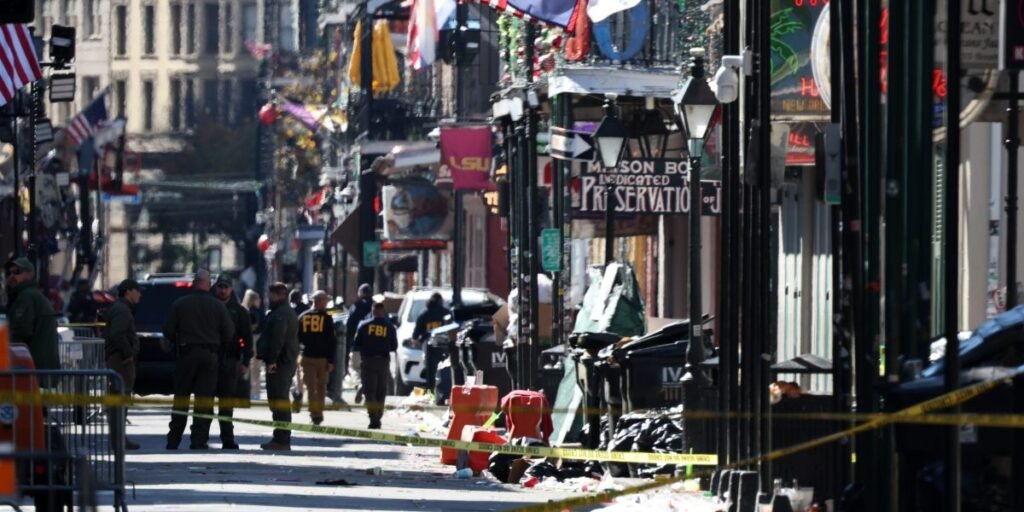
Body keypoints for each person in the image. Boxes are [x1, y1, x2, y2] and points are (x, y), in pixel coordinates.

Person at [164, 270, 234, 450]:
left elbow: (168, 330)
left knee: (181, 398)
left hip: (186, 354)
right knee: (204, 400)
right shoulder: (218, 306)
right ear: (208, 284)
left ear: (194, 283)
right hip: (210, 356)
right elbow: (229, 333)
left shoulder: (180, 304)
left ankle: (173, 440)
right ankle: (198, 440)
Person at [257, 282, 299, 450]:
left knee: (278, 400)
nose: (270, 297)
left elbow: (277, 338)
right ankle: (280, 438)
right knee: (278, 400)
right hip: (284, 361)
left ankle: (281, 439)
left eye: (272, 294)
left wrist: (272, 360)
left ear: (279, 295)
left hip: (281, 363)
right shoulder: (283, 311)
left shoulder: (281, 313)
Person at [213, 276, 253, 449]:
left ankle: (227, 439)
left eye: (226, 287)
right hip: (210, 360)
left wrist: (245, 361)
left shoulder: (239, 311)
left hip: (230, 360)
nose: (223, 290)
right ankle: (199, 438)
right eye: (220, 287)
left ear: (231, 289)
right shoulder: (209, 307)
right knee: (204, 402)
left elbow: (246, 338)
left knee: (226, 403)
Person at [104, 279, 143, 450]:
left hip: (120, 359)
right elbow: (117, 334)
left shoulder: (122, 308)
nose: (140, 295)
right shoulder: (122, 310)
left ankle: (120, 439)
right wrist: (127, 354)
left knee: (121, 401)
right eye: (137, 291)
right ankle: (118, 440)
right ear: (128, 291)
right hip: (120, 361)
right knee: (119, 400)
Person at [5, 258, 60, 371]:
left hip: (33, 367)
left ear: (29, 274)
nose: (12, 276)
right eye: (9, 273)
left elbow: (20, 332)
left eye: (17, 272)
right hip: (44, 367)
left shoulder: (26, 297)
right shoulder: (34, 295)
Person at [352, 301, 397, 429]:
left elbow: (356, 343)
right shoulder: (390, 327)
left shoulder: (363, 325)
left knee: (370, 390)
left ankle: (373, 417)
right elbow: (394, 346)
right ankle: (378, 414)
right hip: (383, 361)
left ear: (372, 311)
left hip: (368, 360)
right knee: (381, 390)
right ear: (383, 312)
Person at [297, 290, 336, 424]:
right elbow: (331, 341)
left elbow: (296, 338)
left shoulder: (302, 316)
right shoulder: (327, 318)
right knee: (321, 387)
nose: (326, 303)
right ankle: (318, 412)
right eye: (325, 300)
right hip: (322, 358)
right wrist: (331, 360)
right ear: (319, 301)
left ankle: (314, 413)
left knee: (310, 387)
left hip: (307, 356)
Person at [414, 292, 449, 389]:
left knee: (430, 370)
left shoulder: (424, 314)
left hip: (428, 346)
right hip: (444, 345)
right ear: (440, 301)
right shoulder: (446, 313)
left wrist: (417, 340)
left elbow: (416, 333)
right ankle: (443, 389)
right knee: (444, 369)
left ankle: (431, 390)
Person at [345, 284, 373, 403]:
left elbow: (349, 324)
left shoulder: (356, 306)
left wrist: (348, 341)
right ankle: (369, 397)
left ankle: (359, 384)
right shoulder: (376, 306)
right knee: (370, 371)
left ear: (360, 293)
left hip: (357, 345)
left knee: (354, 368)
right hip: (373, 346)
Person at [242, 289, 264, 400]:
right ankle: (255, 391)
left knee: (249, 366)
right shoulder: (256, 311)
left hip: (246, 340)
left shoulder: (243, 310)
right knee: (256, 367)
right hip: (256, 339)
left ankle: (249, 389)